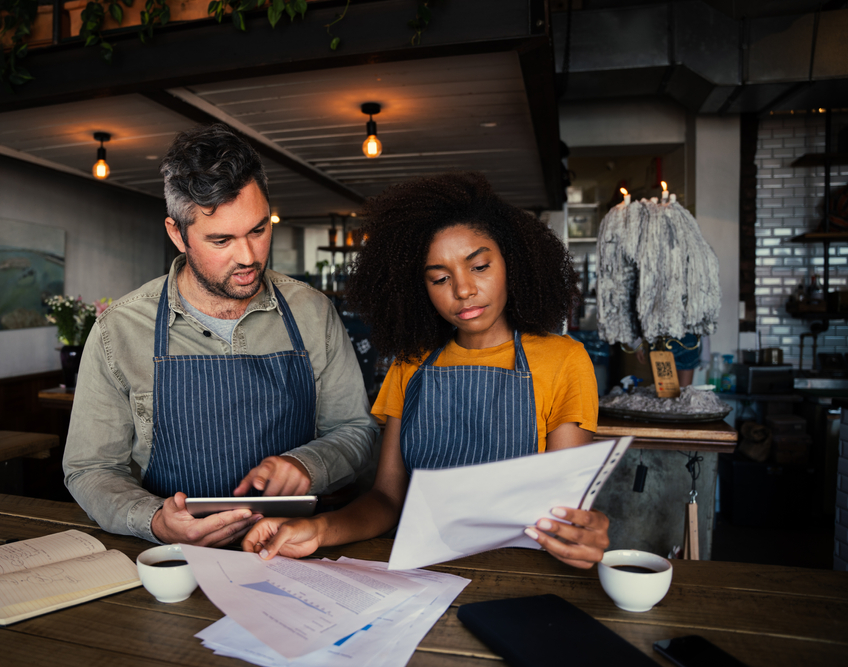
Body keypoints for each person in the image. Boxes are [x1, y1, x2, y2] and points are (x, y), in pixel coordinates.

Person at [243, 172, 610, 569]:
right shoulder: (411, 363)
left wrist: (585, 534)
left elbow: (563, 512)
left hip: (518, 576)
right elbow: (387, 500)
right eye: (440, 277)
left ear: (513, 263)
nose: (463, 289)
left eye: (480, 267)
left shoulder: (563, 360)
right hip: (420, 576)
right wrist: (318, 530)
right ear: (419, 288)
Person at [63, 124, 378, 547]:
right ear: (177, 234)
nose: (248, 257)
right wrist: (155, 519)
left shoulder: (312, 312)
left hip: (290, 552)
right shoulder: (118, 331)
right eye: (220, 240)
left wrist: (309, 465)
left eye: (258, 229)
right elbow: (90, 469)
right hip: (173, 559)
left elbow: (356, 428)